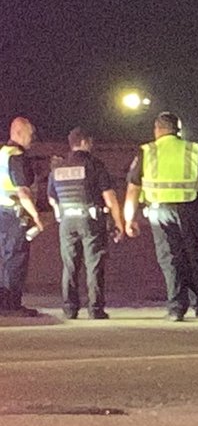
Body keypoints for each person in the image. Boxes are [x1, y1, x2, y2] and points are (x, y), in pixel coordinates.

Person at [124, 112, 198, 321]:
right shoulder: (193, 150)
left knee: (171, 259)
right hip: (190, 209)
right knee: (196, 257)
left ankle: (176, 308)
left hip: (159, 211)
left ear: (157, 129)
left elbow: (133, 189)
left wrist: (128, 219)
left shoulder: (147, 152)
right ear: (178, 130)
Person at [47, 127, 125, 319]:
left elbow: (51, 197)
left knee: (70, 265)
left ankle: (69, 308)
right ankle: (95, 309)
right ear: (84, 142)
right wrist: (119, 223)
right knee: (94, 264)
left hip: (67, 221)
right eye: (90, 141)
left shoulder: (58, 168)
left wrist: (60, 212)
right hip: (90, 220)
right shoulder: (94, 165)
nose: (93, 144)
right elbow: (110, 197)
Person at [0, 117, 46, 317]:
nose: (32, 138)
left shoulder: (2, 153)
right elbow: (23, 191)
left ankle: (4, 301)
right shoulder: (17, 156)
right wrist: (36, 216)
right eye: (30, 134)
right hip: (14, 214)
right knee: (16, 259)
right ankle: (12, 305)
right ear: (18, 133)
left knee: (5, 258)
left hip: (2, 212)